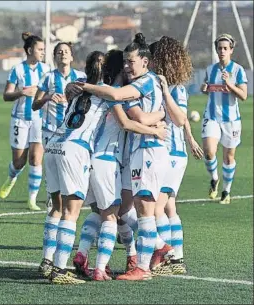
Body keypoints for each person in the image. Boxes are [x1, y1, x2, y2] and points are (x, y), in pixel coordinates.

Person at [75, 33, 186, 281]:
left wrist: (83, 85)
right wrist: (157, 120)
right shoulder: (148, 82)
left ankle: (141, 266)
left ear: (145, 62)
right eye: (124, 62)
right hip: (134, 153)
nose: (127, 66)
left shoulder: (144, 83)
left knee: (142, 208)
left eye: (131, 61)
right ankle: (154, 251)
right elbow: (145, 117)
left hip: (145, 151)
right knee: (126, 210)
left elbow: (126, 110)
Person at [39, 50, 113, 285]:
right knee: (71, 212)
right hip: (75, 149)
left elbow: (72, 90)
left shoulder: (77, 85)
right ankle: (60, 270)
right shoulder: (107, 94)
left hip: (53, 144)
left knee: (56, 208)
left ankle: (47, 261)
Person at [148, 36, 204, 275]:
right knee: (170, 207)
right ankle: (177, 259)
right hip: (172, 151)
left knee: (156, 209)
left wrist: (164, 92)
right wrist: (191, 139)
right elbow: (183, 124)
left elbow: (180, 119)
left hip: (171, 154)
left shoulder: (175, 88)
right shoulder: (164, 85)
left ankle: (165, 257)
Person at [0, 32, 50, 211]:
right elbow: (6, 95)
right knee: (19, 162)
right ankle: (12, 177)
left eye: (44, 49)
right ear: (30, 50)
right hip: (20, 119)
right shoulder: (17, 70)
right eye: (40, 49)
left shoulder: (46, 69)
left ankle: (32, 200)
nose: (43, 52)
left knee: (36, 159)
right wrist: (22, 92)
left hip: (39, 119)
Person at [32, 42, 86, 210]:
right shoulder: (48, 78)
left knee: (71, 168)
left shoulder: (81, 77)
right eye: (59, 52)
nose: (63, 54)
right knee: (53, 169)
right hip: (51, 130)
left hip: (73, 131)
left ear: (71, 57)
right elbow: (35, 105)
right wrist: (48, 97)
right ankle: (53, 203)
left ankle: (71, 202)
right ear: (55, 57)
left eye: (66, 52)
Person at [200, 33, 247, 204]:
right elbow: (207, 88)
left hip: (231, 120)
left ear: (231, 50)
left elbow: (243, 96)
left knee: (228, 157)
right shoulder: (210, 70)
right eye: (219, 48)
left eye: (225, 48)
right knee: (209, 151)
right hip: (212, 116)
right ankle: (214, 179)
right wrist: (204, 88)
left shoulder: (238, 70)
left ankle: (226, 191)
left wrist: (230, 85)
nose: (222, 51)